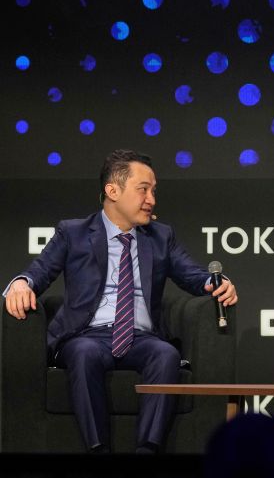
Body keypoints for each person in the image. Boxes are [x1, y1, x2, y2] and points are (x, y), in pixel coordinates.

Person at [3, 149, 238, 453]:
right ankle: (98, 449)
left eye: (153, 191)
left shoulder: (160, 236)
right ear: (112, 191)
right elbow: (40, 271)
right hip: (87, 335)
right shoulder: (73, 232)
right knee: (84, 353)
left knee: (166, 355)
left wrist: (215, 283)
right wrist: (21, 283)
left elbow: (191, 274)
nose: (151, 199)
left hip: (142, 337)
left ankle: (147, 450)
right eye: (143, 189)